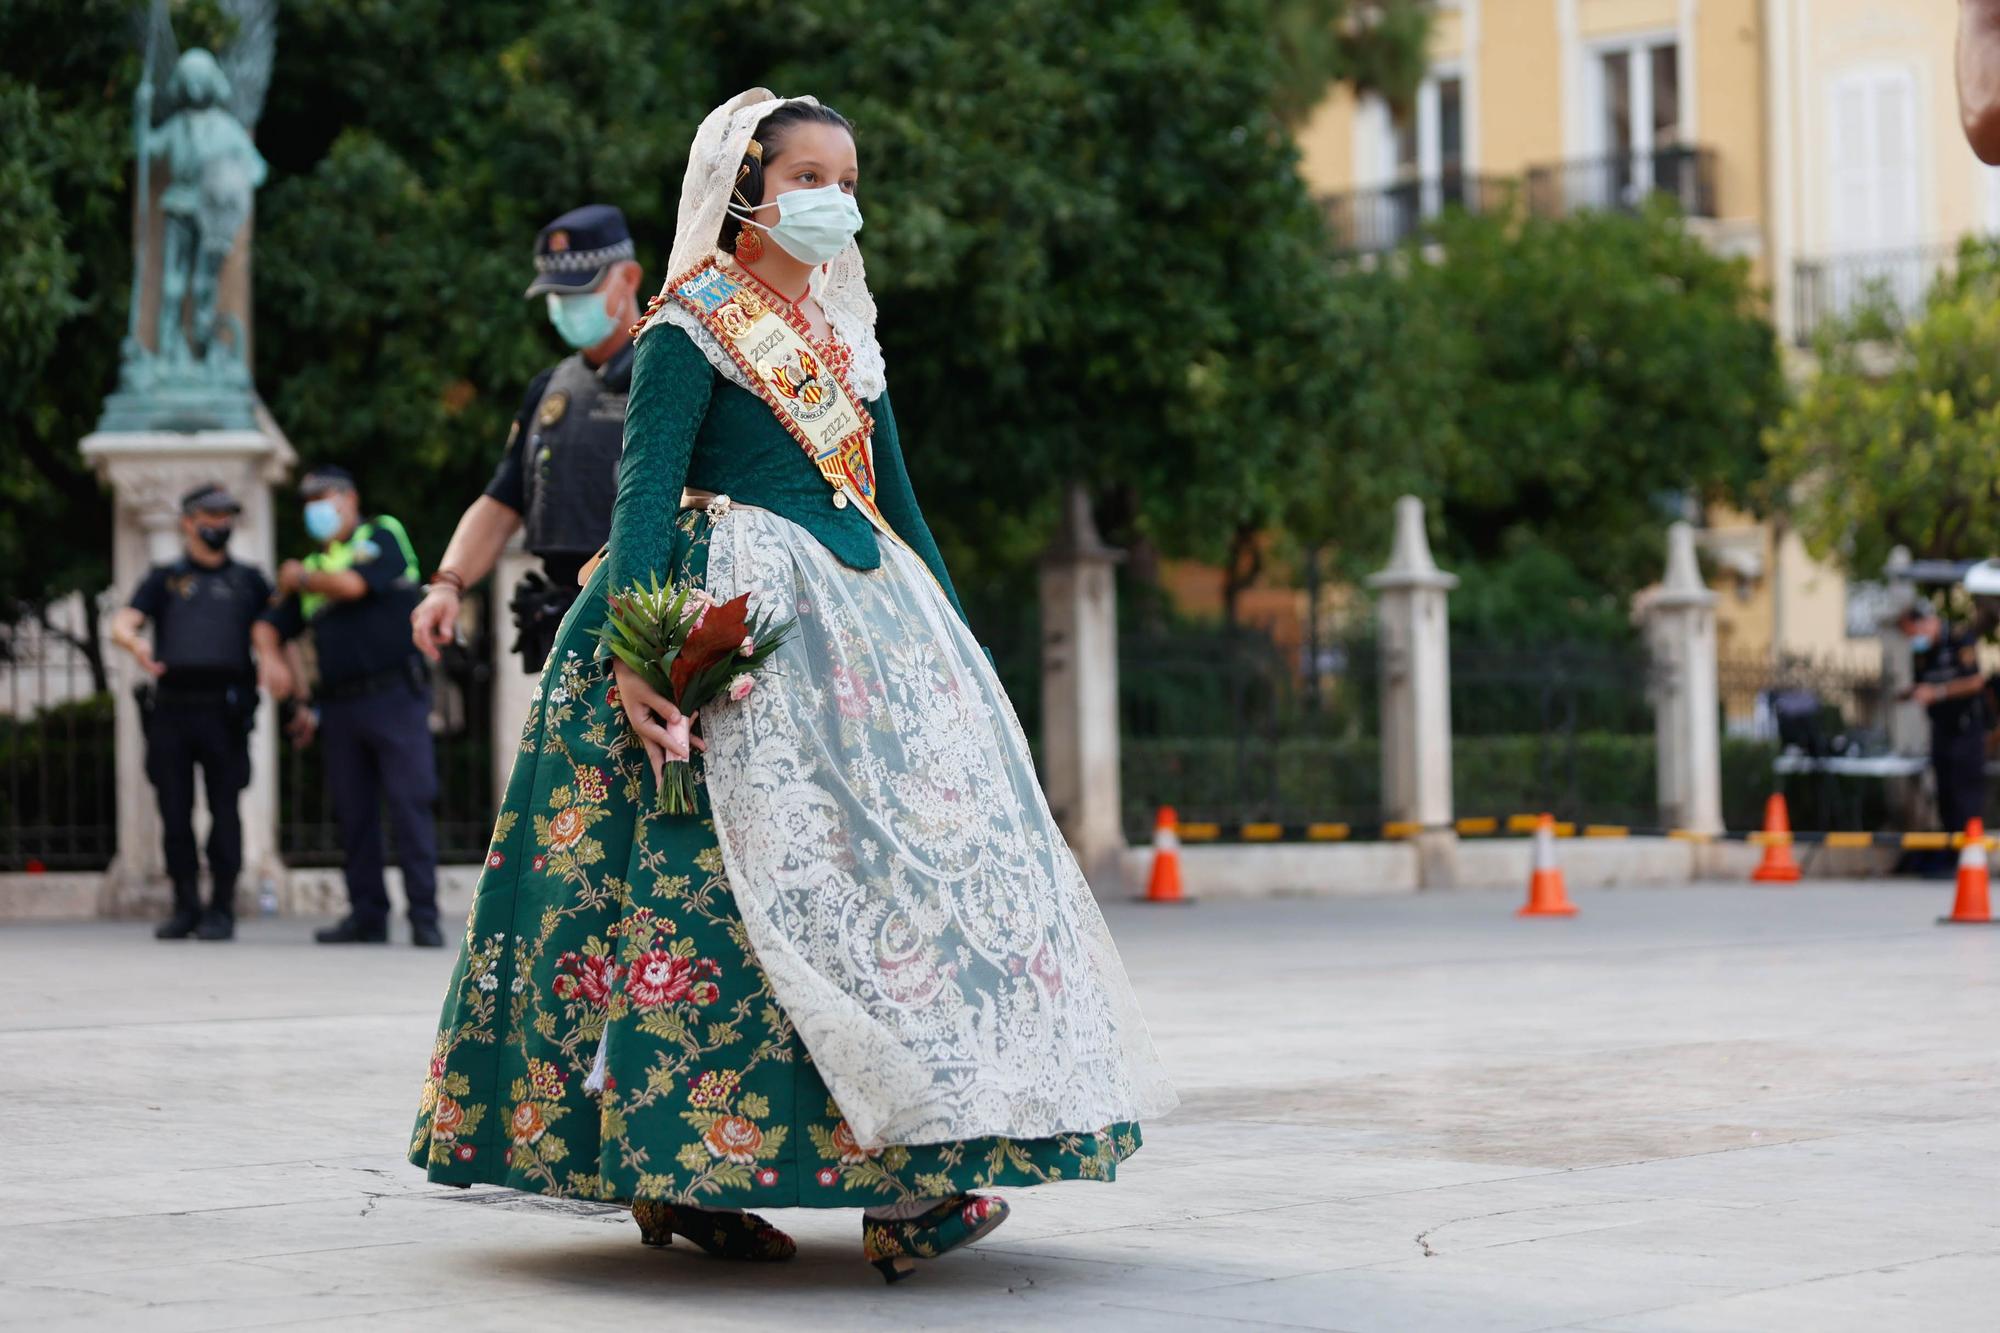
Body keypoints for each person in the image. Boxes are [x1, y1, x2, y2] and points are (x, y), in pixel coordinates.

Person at [408, 91, 1175, 1281]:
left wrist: (955, 643)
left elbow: (894, 504)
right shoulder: (686, 324)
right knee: (705, 899)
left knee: (895, 890)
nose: (835, 199)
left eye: (848, 178)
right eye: (809, 175)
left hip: (864, 625)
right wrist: (634, 652)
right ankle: (709, 1178)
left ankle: (913, 1160)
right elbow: (643, 498)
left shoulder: (843, 334)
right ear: (746, 189)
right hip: (728, 625)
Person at [410, 205, 643, 672]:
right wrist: (447, 584)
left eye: (580, 291)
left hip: (644, 617)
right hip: (562, 619)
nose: (565, 306)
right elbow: (502, 501)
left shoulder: (668, 369)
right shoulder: (550, 388)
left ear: (629, 279)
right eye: (556, 295)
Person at [255, 466, 443, 947]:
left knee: (409, 804)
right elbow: (270, 625)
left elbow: (355, 586)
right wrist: (272, 658)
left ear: (350, 498)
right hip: (339, 707)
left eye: (326, 496)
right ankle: (367, 915)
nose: (317, 507)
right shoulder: (315, 571)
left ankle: (425, 916)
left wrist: (302, 576)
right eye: (309, 500)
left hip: (395, 697)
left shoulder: (380, 534)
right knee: (354, 813)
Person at [108, 483, 275, 941]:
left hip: (226, 709)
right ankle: (185, 905)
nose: (220, 524)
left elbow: (275, 631)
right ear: (188, 521)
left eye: (227, 516)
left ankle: (221, 907)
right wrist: (133, 642)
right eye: (211, 515)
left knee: (225, 809)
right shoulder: (164, 579)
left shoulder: (250, 580)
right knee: (174, 809)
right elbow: (124, 621)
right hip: (172, 709)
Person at [1898, 601, 1991, 843]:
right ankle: (1950, 856)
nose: (1914, 639)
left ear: (1928, 622)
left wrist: (1938, 692)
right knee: (1946, 795)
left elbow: (1975, 682)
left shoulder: (1960, 639)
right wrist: (1911, 693)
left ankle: (1969, 855)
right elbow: (1923, 683)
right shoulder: (1922, 651)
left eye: (1915, 632)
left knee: (1966, 796)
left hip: (1966, 731)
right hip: (1941, 730)